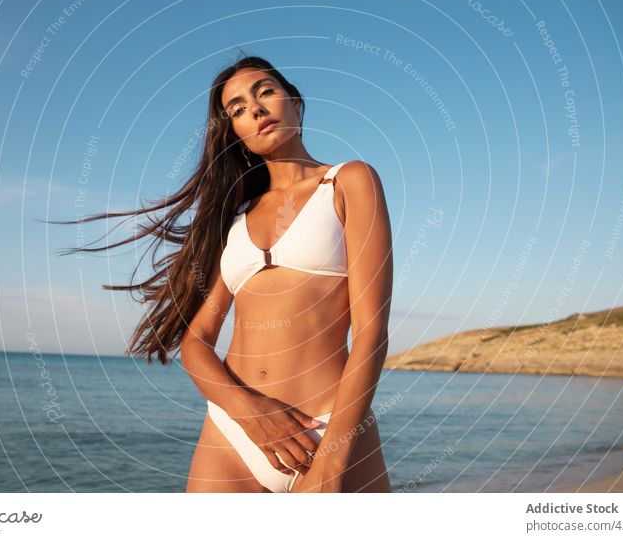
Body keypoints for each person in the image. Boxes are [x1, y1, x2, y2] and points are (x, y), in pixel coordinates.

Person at [55, 54, 392, 493]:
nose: (254, 108)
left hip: (325, 431)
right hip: (234, 435)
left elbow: (371, 331)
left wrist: (333, 457)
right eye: (236, 109)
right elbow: (196, 342)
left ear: (294, 102)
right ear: (236, 134)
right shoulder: (235, 218)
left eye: (265, 91)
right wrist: (249, 411)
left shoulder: (349, 181)